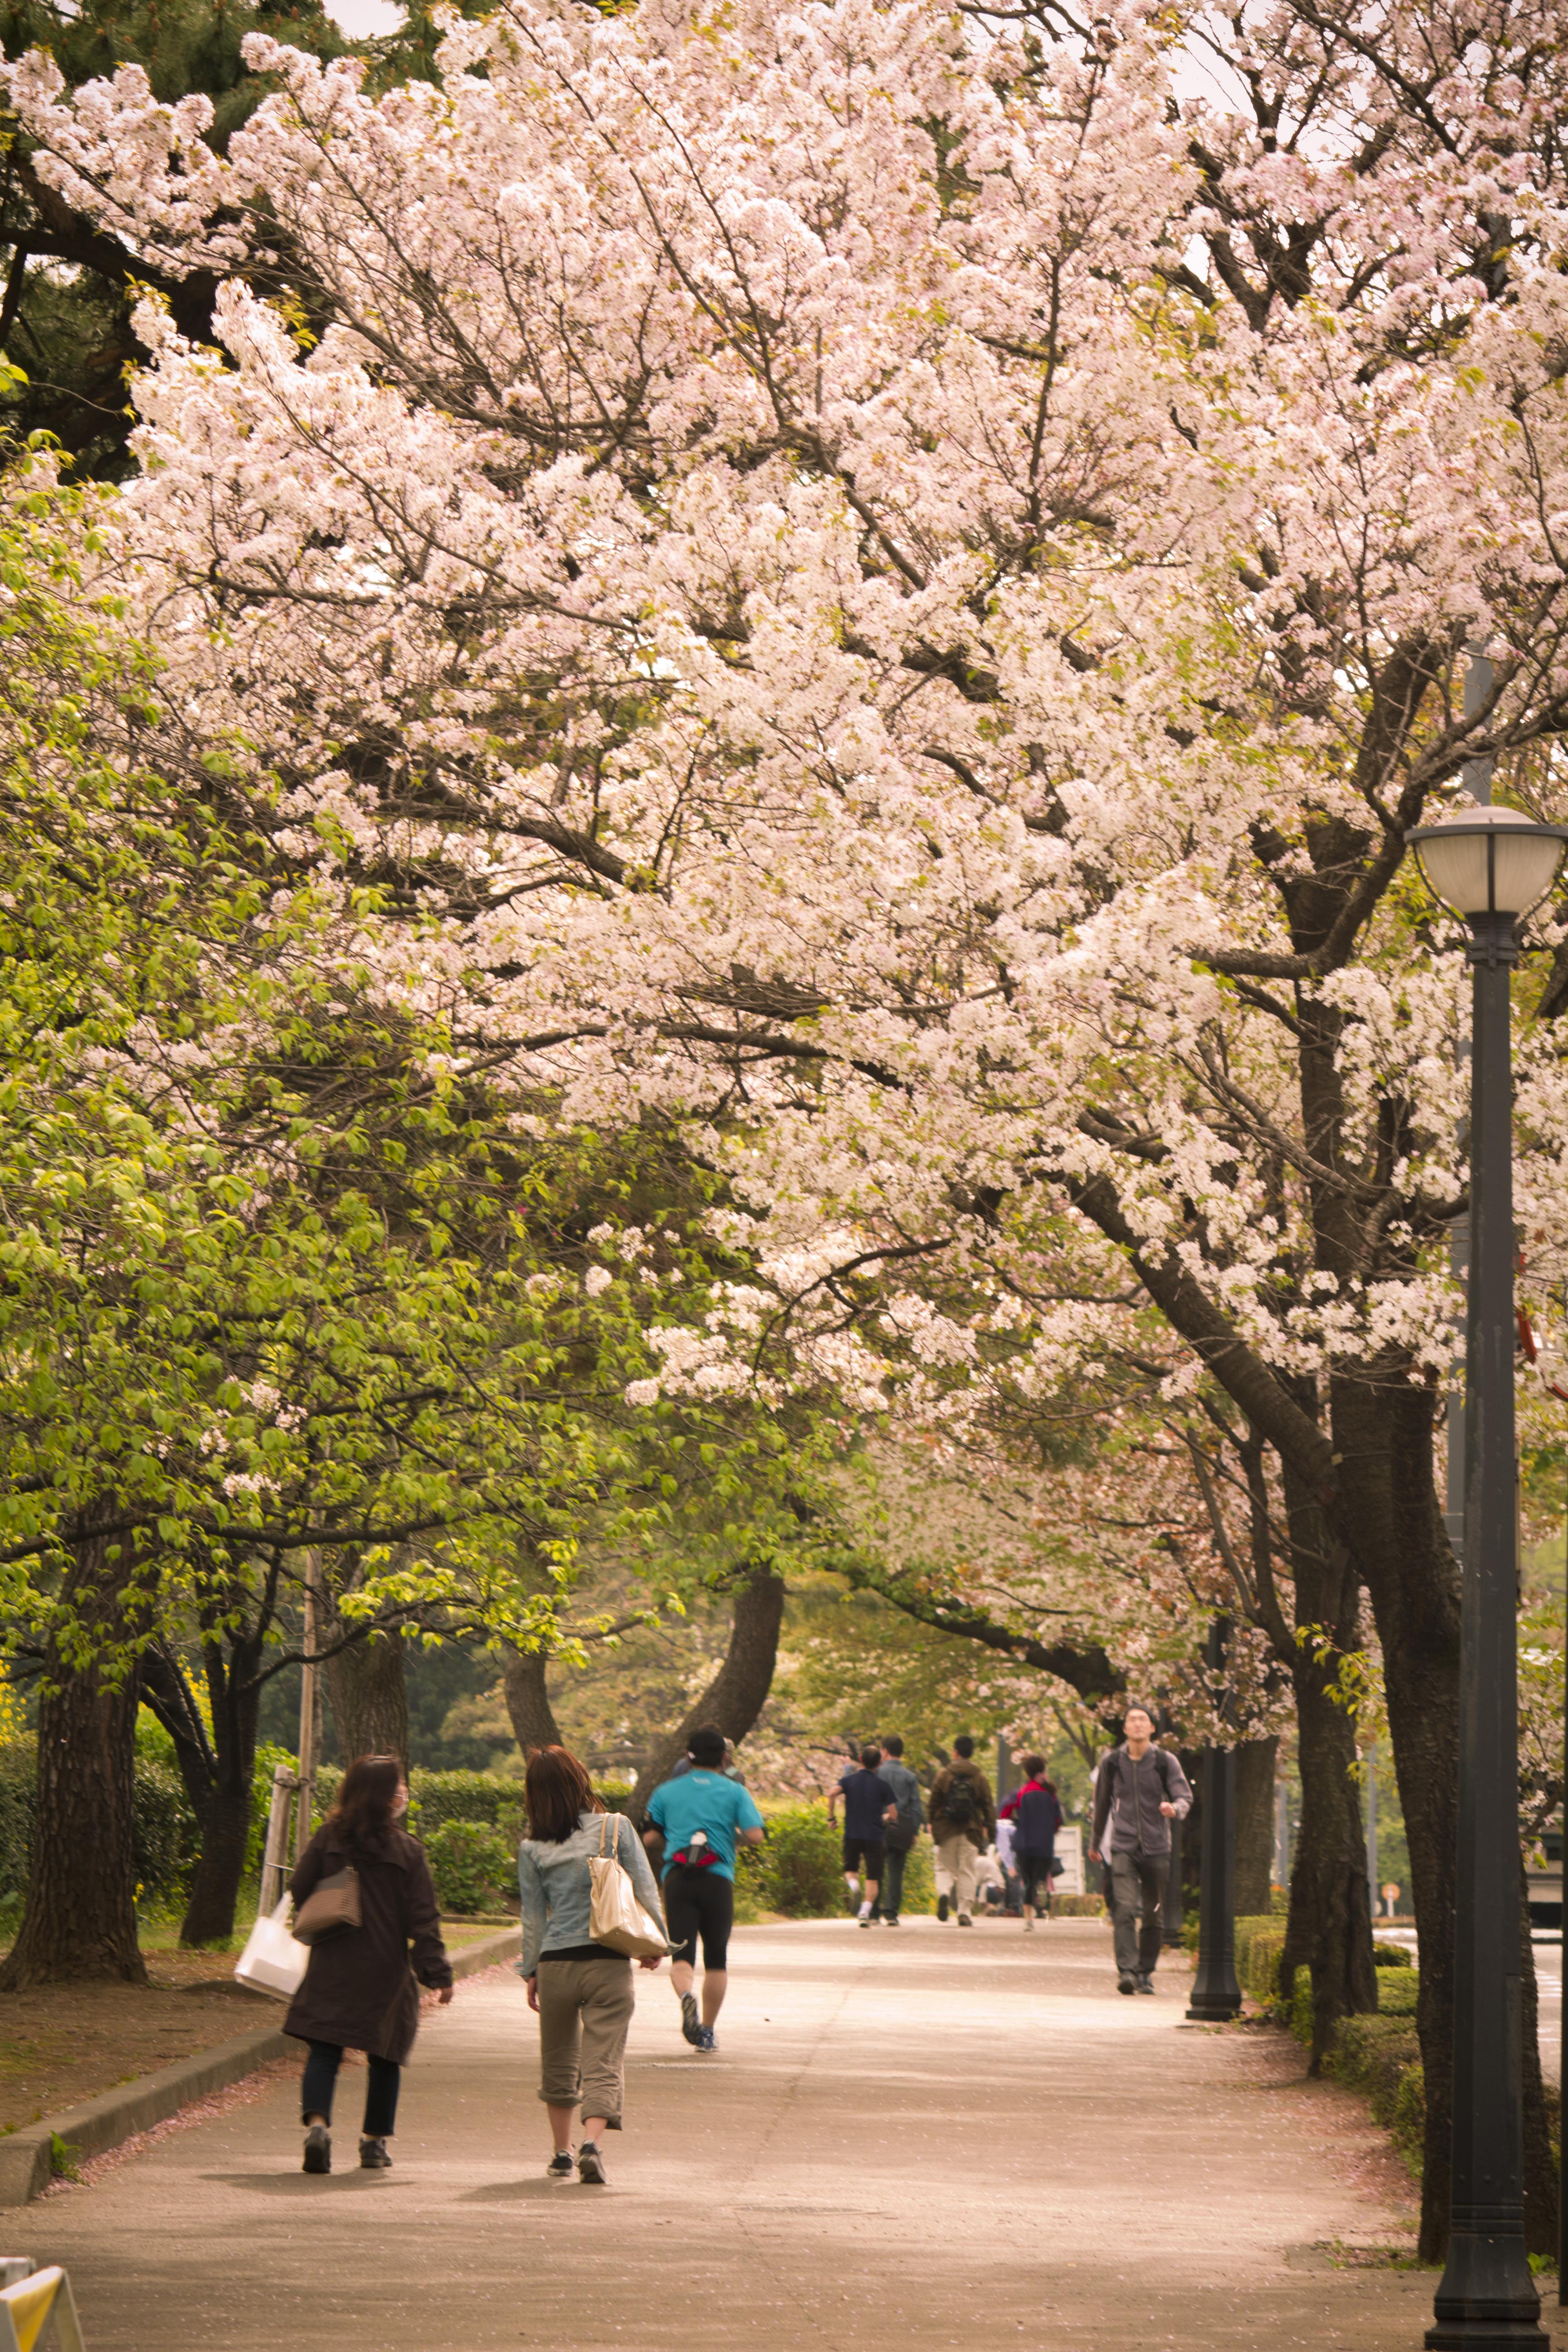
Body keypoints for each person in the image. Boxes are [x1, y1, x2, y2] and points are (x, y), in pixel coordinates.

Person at [284, 1752, 453, 2176]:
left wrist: (330, 1901)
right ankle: (374, 2143)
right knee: (385, 2054)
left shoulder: (328, 1839)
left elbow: (299, 1888)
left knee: (325, 2049)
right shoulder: (408, 1850)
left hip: (333, 1961)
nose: (403, 1792)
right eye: (398, 1785)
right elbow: (424, 1920)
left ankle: (318, 2128)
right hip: (386, 1970)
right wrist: (437, 1974)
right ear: (386, 1795)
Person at [516, 1742, 665, 2185]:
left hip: (557, 1965)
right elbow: (645, 1887)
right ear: (581, 1780)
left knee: (558, 2060)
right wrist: (654, 1943)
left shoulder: (532, 1847)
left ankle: (560, 2153)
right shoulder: (615, 1828)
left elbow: (531, 1917)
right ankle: (592, 2145)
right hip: (607, 1962)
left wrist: (531, 1970)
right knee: (603, 2059)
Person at [644, 1722, 765, 2051]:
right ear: (724, 1758)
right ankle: (707, 2032)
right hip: (718, 1878)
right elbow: (756, 1835)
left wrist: (677, 1833)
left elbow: (650, 1836)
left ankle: (686, 1996)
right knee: (716, 1958)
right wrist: (728, 1835)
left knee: (682, 1955)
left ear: (688, 1756)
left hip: (678, 1878)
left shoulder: (666, 1791)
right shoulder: (735, 1791)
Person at [1088, 1705, 1193, 1994]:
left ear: (1151, 1728)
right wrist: (1095, 1842)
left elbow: (1184, 1795)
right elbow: (1102, 1805)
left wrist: (1175, 1808)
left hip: (1157, 1846)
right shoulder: (1112, 1763)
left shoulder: (1164, 1761)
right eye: (1131, 1720)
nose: (1137, 1724)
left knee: (1153, 1912)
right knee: (1123, 1908)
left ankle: (1146, 1971)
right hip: (1123, 1846)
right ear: (1124, 1728)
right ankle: (1127, 1971)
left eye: (1142, 1720)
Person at [926, 1735, 995, 1926]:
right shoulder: (979, 1777)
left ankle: (944, 1893)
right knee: (967, 1870)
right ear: (971, 1753)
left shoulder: (944, 1775)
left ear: (955, 1753)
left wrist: (932, 1823)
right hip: (970, 1830)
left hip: (946, 1829)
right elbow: (989, 1808)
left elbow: (933, 1804)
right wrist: (991, 1833)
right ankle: (964, 1912)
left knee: (944, 1867)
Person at [829, 1743, 897, 1926]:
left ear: (860, 1760)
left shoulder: (849, 1781)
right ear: (879, 1764)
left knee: (851, 1871)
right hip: (874, 1836)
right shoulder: (883, 1786)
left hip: (852, 1834)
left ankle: (854, 1886)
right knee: (873, 1878)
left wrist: (831, 1818)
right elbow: (894, 1814)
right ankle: (864, 1913)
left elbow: (832, 1793)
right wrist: (885, 1818)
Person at [999, 1755, 1064, 1931]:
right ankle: (1041, 1884)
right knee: (1038, 1878)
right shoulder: (1051, 1794)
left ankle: (1028, 1919)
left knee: (1027, 1882)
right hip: (1044, 1844)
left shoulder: (1021, 1792)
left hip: (1024, 1843)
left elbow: (1004, 1812)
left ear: (1027, 1772)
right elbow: (1058, 1821)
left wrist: (1017, 1819)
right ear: (1043, 1771)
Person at [873, 1736, 925, 1923]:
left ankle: (873, 1912)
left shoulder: (877, 1773)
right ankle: (891, 1913)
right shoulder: (910, 1777)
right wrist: (915, 1832)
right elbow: (916, 1807)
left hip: (878, 1825)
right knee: (896, 1871)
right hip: (902, 1826)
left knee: (876, 1869)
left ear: (885, 1751)